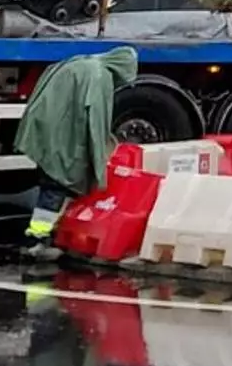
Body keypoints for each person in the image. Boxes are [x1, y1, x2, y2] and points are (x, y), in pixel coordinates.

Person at [14, 47, 139, 251]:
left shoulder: (79, 62)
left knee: (51, 180)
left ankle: (46, 235)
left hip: (45, 127)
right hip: (63, 136)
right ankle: (37, 239)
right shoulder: (100, 76)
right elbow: (96, 120)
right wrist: (100, 159)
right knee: (58, 184)